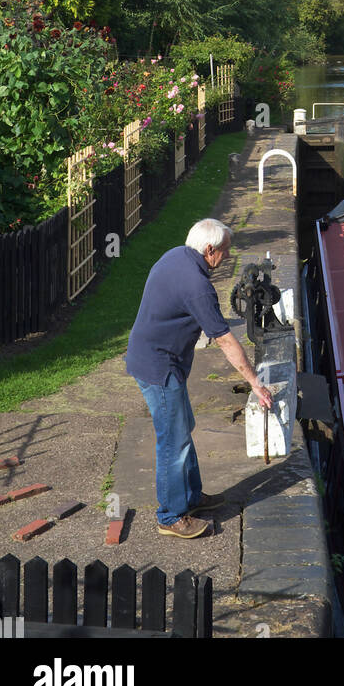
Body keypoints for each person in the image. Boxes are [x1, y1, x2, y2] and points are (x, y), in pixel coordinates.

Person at [126, 218, 274, 538]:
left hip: (153, 359)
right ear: (209, 250)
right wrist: (255, 382)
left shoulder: (176, 255)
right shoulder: (198, 287)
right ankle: (171, 516)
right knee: (173, 442)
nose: (226, 258)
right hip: (159, 368)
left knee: (182, 429)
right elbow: (225, 341)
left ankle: (191, 496)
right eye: (224, 252)